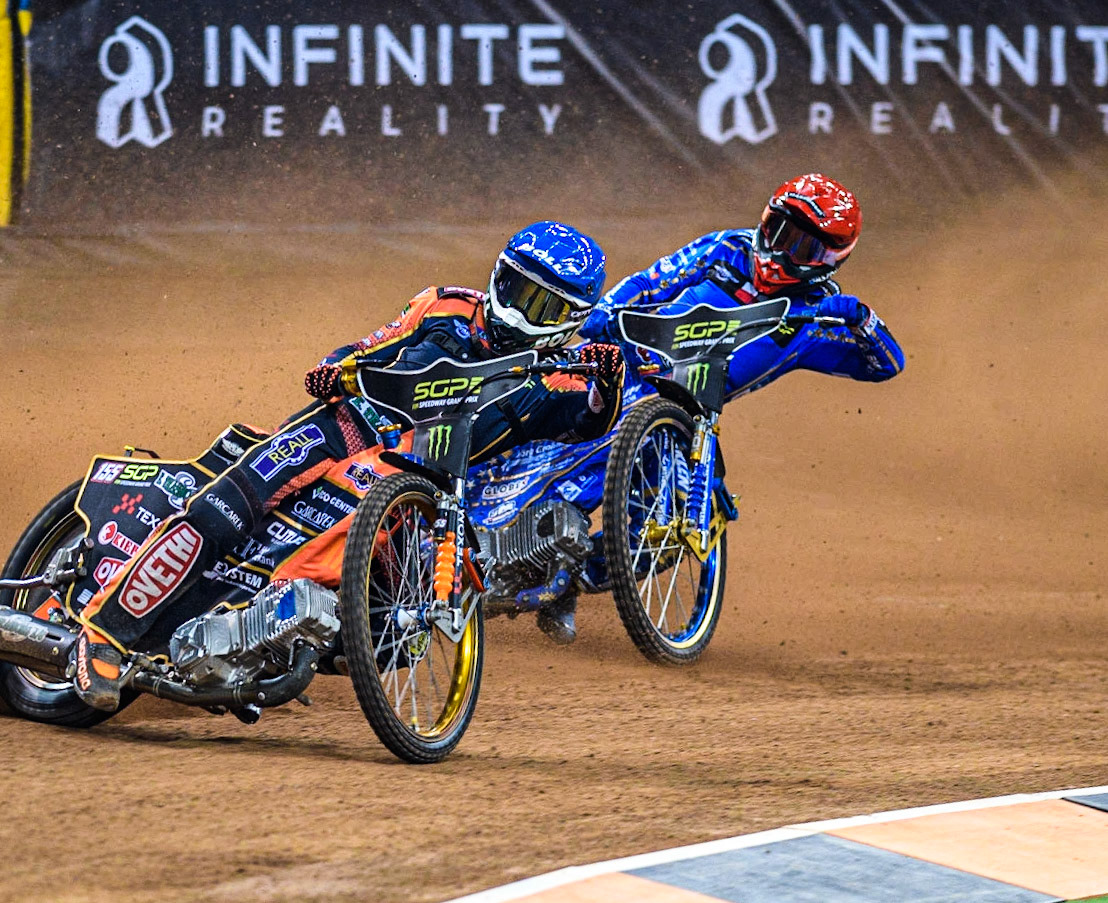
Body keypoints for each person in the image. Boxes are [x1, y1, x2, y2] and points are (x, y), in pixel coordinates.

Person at [68, 221, 626, 711]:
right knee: (221, 510)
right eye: (516, 288)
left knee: (401, 628)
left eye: (543, 304)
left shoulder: (554, 378)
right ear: (498, 274)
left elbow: (587, 423)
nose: (522, 310)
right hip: (345, 429)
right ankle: (105, 636)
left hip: (416, 486)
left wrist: (606, 383)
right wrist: (335, 369)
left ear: (569, 319)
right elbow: (372, 346)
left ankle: (279, 644)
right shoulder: (447, 306)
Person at [476, 173, 905, 644]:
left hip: (689, 421)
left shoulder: (816, 315)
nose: (778, 249)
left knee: (663, 535)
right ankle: (480, 529)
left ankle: (567, 576)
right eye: (776, 228)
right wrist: (606, 315)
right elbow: (651, 281)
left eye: (799, 245)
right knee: (543, 449)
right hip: (628, 373)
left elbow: (887, 363)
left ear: (826, 260)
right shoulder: (727, 250)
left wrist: (861, 318)